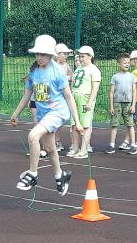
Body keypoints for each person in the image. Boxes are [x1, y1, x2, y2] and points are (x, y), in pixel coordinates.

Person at [9, 35, 78, 196]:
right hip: (43, 114)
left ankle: (33, 174)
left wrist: (77, 121)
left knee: (33, 136)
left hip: (57, 112)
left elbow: (69, 96)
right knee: (50, 148)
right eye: (37, 54)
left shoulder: (58, 72)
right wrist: (15, 114)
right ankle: (60, 175)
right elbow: (27, 95)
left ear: (52, 55)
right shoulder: (33, 72)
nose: (39, 57)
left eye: (43, 54)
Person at [68, 46, 101, 159]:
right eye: (80, 56)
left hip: (85, 99)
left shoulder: (94, 70)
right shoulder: (78, 69)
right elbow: (73, 83)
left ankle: (84, 149)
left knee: (85, 124)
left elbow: (95, 88)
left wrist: (90, 102)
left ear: (90, 57)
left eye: (83, 56)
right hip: (75, 99)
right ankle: (75, 148)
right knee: (74, 124)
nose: (81, 59)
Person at [107, 54, 136, 154]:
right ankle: (111, 145)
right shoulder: (115, 77)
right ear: (119, 64)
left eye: (128, 62)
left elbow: (134, 91)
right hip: (116, 103)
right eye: (124, 62)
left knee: (130, 124)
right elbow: (111, 92)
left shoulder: (132, 76)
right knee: (114, 124)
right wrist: (111, 106)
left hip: (128, 103)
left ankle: (133, 145)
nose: (127, 64)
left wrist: (133, 105)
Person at [53, 44, 74, 153]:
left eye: (67, 54)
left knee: (59, 121)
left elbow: (72, 77)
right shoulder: (51, 65)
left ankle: (57, 141)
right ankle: (51, 143)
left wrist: (68, 79)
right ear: (57, 54)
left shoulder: (66, 65)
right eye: (64, 53)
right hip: (52, 97)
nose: (66, 55)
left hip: (62, 97)